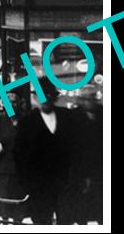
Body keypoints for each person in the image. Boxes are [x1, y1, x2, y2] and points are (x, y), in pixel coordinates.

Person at [14, 79, 90, 224]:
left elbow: (78, 149)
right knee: (41, 221)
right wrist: (26, 184)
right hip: (39, 186)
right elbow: (20, 155)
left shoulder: (67, 117)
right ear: (35, 98)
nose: (45, 99)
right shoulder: (27, 122)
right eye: (41, 95)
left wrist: (81, 176)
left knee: (66, 220)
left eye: (48, 96)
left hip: (65, 184)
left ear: (54, 97)